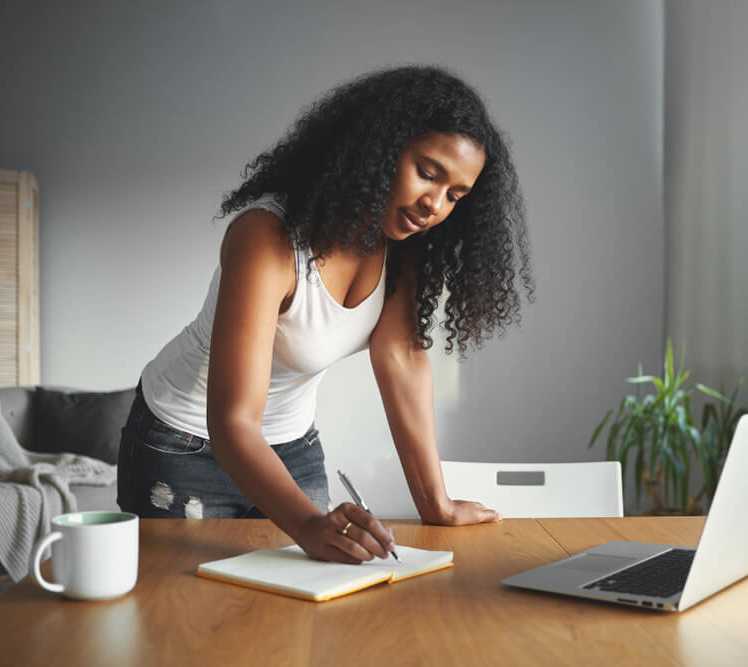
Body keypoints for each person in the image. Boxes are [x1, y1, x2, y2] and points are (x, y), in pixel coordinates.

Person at [116, 64, 533, 564]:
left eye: (454, 195)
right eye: (427, 173)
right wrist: (312, 525)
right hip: (184, 444)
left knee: (300, 618)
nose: (434, 206)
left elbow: (400, 357)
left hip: (291, 447)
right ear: (379, 148)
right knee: (184, 619)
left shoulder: (403, 245)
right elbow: (233, 421)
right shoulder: (267, 239)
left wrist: (436, 503)